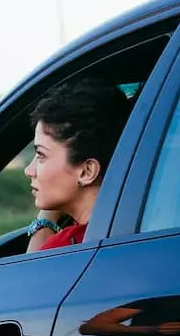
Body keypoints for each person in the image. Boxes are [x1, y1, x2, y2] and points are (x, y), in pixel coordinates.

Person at [25, 77, 133, 252]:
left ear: (87, 171)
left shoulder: (66, 248)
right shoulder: (135, 221)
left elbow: (29, 273)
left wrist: (45, 218)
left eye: (41, 155)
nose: (29, 170)